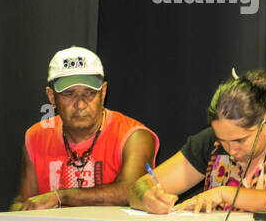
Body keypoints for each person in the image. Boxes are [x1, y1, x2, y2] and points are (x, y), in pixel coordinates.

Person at [129, 70, 266, 214]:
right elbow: (139, 187)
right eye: (223, 140)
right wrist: (147, 197)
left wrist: (226, 194)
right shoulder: (211, 142)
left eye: (240, 140)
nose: (231, 149)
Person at [12, 47, 158, 210]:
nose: (80, 104)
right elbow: (24, 201)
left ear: (103, 93)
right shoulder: (36, 136)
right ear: (52, 97)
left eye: (90, 93)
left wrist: (60, 196)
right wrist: (22, 209)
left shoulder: (134, 136)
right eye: (69, 94)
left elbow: (131, 191)